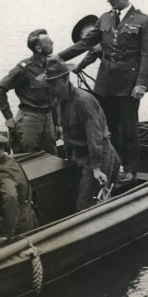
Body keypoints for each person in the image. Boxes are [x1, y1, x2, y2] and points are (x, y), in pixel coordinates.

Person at [58, 0, 148, 183]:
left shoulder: (142, 20)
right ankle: (113, 164)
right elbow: (85, 43)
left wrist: (141, 83)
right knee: (107, 129)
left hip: (129, 85)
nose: (110, 0)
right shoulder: (104, 19)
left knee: (129, 129)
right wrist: (58, 58)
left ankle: (130, 170)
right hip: (105, 85)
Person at [44, 57, 121, 210]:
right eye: (48, 83)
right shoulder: (60, 100)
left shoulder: (83, 101)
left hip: (98, 155)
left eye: (53, 83)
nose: (50, 87)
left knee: (86, 205)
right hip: (79, 154)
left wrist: (97, 167)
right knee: (72, 200)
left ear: (65, 79)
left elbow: (95, 137)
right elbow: (68, 133)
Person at [0, 28, 59, 155]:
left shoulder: (51, 65)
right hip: (30, 119)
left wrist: (57, 124)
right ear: (38, 48)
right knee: (28, 157)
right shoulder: (24, 68)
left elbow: (54, 97)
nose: (52, 43)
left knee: (52, 156)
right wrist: (8, 117)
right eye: (48, 42)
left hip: (48, 117)